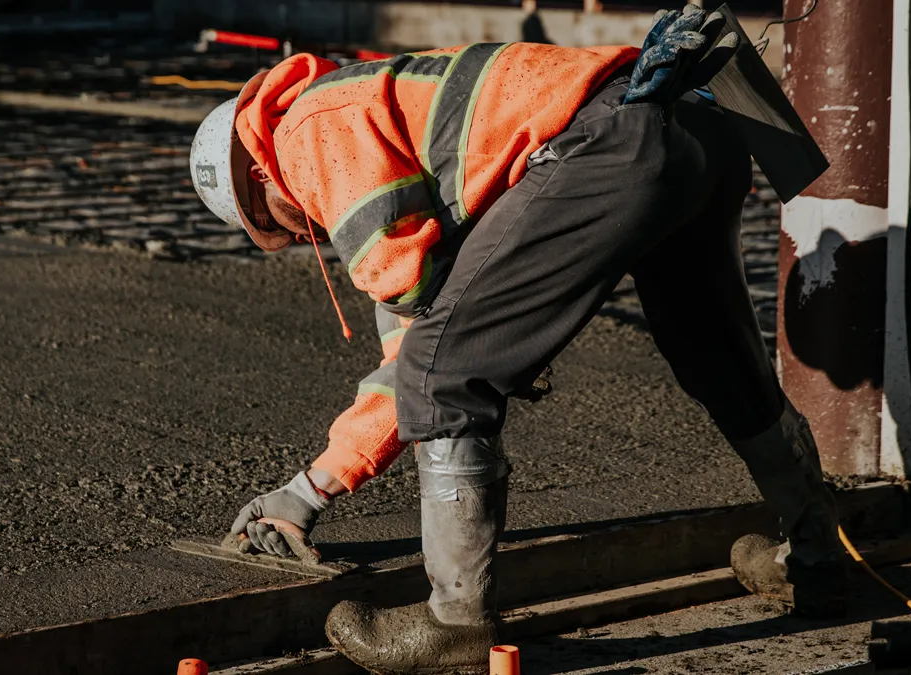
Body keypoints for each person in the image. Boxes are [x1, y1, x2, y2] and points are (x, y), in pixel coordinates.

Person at [188, 6, 851, 673]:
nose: (305, 236)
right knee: (719, 358)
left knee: (444, 373)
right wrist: (314, 487)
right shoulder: (374, 105)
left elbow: (423, 353)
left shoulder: (311, 139)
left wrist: (307, 492)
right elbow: (426, 324)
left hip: (613, 139)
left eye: (282, 226)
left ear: (259, 177)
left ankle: (455, 623)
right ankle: (817, 551)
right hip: (694, 122)